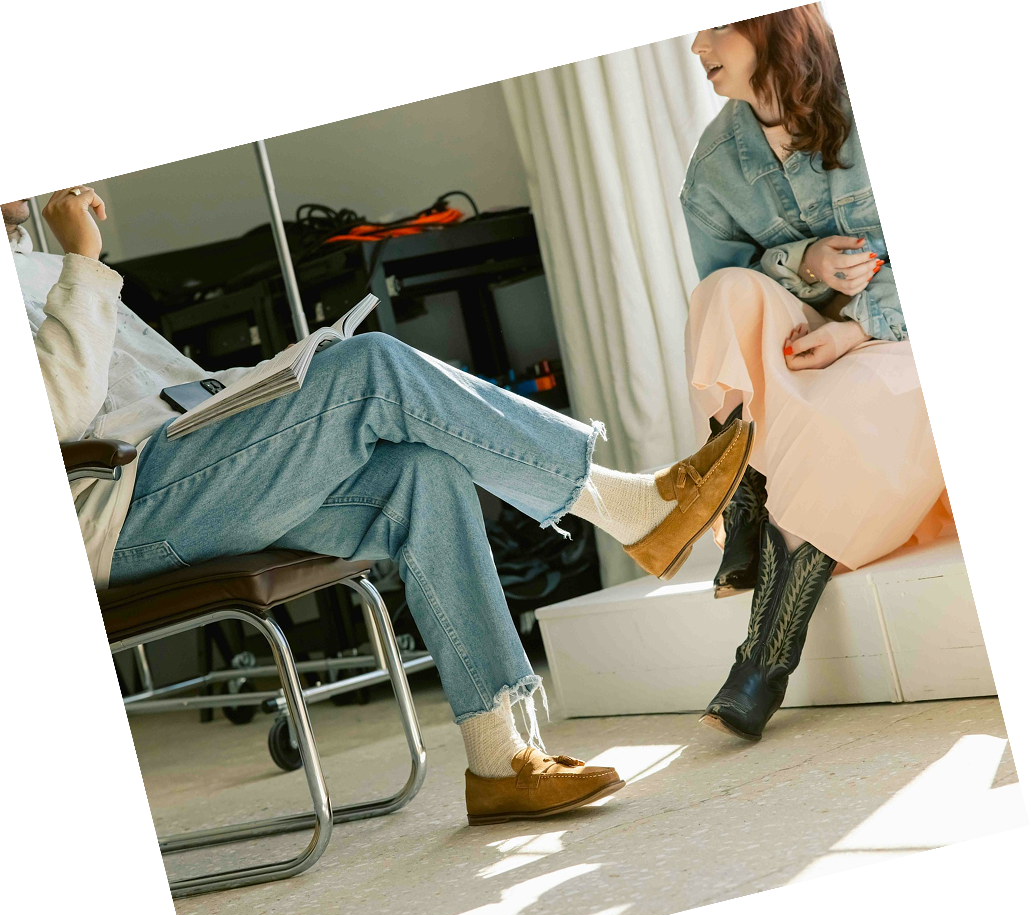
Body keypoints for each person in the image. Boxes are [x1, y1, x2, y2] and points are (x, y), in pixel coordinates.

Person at [4, 190, 752, 825]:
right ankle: (629, 507)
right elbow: (50, 422)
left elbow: (157, 385)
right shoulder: (55, 265)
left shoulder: (29, 265)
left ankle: (501, 758)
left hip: (175, 466)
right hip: (113, 513)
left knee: (421, 473)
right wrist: (84, 261)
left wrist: (261, 387)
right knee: (375, 368)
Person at [681, 8, 952, 742]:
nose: (697, 46)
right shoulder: (713, 165)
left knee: (847, 413)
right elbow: (721, 289)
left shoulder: (885, 103)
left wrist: (858, 325)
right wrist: (798, 262)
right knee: (722, 295)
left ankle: (761, 663)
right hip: (798, 356)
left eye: (713, 26)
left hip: (906, 344)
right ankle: (743, 488)